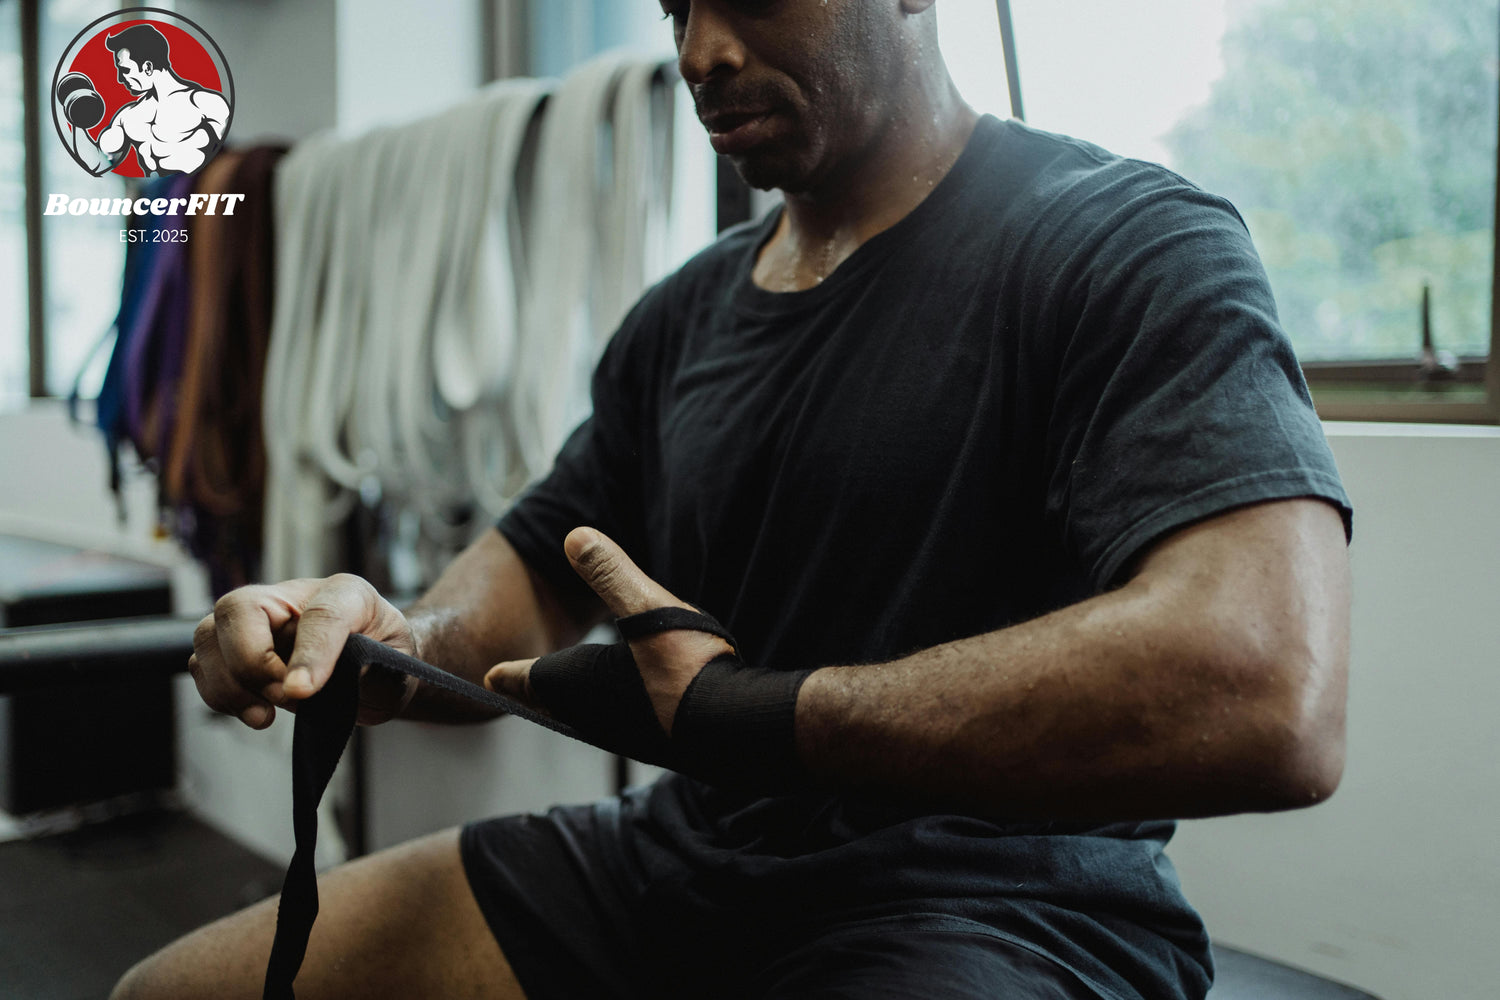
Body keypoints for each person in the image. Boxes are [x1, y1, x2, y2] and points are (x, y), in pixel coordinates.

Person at [112, 0, 1353, 997]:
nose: (701, 50)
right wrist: (382, 639)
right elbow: (535, 570)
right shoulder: (684, 317)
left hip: (999, 901)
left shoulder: (1123, 243)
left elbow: (1266, 686)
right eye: (674, 8)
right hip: (684, 861)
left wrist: (755, 715)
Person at [68, 23, 229, 176]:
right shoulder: (127, 116)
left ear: (148, 67)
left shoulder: (204, 103)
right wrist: (79, 116)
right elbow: (97, 162)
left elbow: (232, 165)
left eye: (125, 70)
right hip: (153, 194)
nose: (120, 78)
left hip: (194, 191)